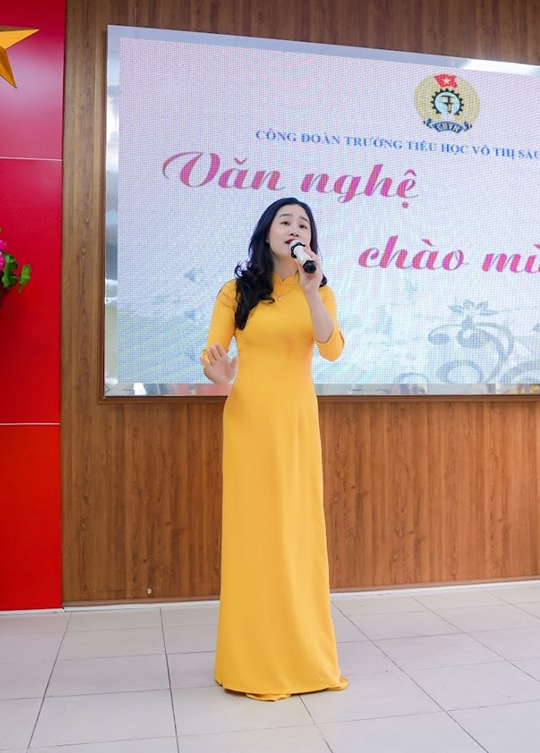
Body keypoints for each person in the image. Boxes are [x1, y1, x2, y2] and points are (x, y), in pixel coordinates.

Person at [202, 197, 348, 701]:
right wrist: (219, 372)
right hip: (249, 422)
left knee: (296, 533)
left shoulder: (318, 288)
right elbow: (213, 358)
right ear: (267, 232)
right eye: (285, 221)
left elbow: (332, 348)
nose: (294, 228)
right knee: (255, 535)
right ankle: (251, 659)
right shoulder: (235, 291)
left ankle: (303, 657)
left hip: (296, 422)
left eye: (303, 223)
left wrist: (311, 291)